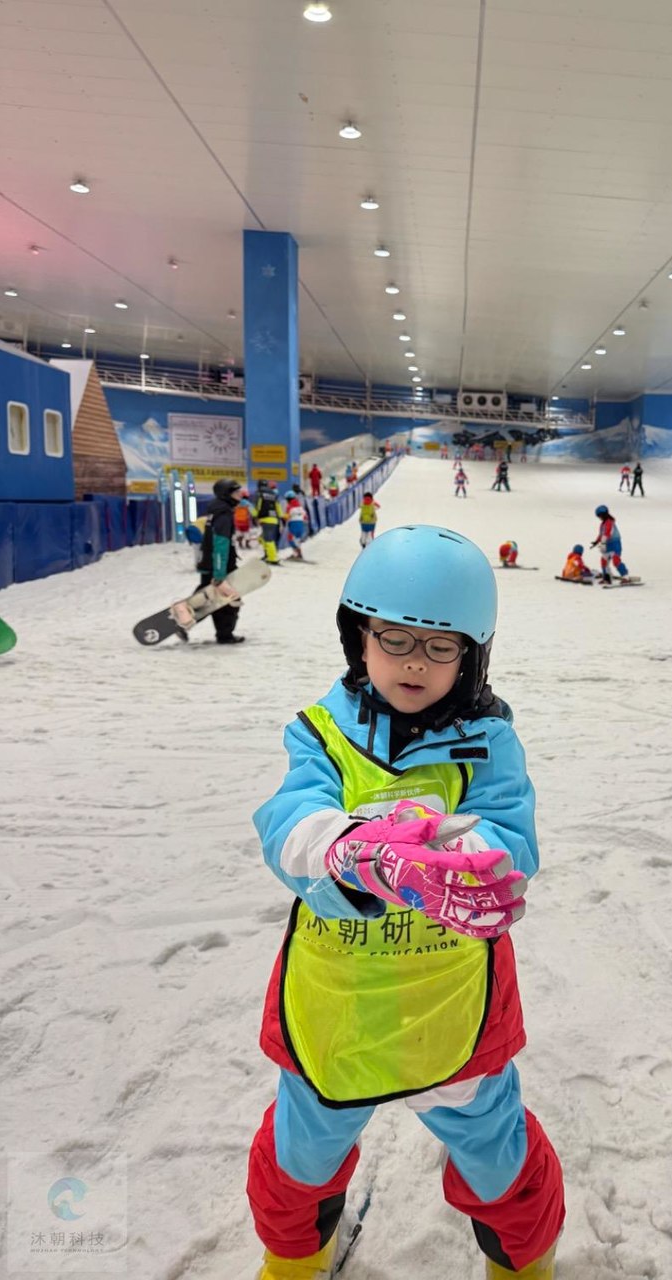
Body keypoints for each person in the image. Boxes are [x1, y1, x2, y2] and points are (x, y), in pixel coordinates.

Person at [247, 526, 565, 1280]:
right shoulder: (321, 732)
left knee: (497, 1156)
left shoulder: (488, 743)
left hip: (450, 1005)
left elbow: (510, 838)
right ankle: (293, 1260)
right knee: (299, 1155)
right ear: (358, 637)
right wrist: (352, 850)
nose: (414, 661)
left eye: (439, 646)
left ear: (471, 655)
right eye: (394, 639)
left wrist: (452, 859)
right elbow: (288, 820)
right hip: (335, 1008)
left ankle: (523, 1265)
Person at [196, 478, 244, 644]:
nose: (240, 494)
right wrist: (219, 574)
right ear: (226, 494)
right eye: (236, 492)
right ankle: (225, 634)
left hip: (209, 564)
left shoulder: (216, 511)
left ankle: (224, 634)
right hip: (219, 567)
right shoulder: (223, 514)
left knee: (210, 599)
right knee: (228, 600)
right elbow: (220, 544)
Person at [590, 505, 630, 584]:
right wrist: (596, 542)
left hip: (615, 545)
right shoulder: (602, 524)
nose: (599, 518)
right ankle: (607, 578)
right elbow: (601, 534)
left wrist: (603, 543)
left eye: (599, 516)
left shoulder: (609, 522)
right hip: (607, 546)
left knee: (616, 561)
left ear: (604, 514)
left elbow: (607, 533)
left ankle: (625, 576)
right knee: (604, 562)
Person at [254, 481, 285, 566]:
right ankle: (267, 555)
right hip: (274, 519)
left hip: (265, 518)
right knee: (264, 538)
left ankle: (273, 558)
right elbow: (278, 506)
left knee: (268, 539)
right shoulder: (273, 494)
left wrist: (255, 516)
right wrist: (281, 517)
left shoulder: (260, 493)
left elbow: (257, 506)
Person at [285, 490, 308, 561]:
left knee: (291, 538)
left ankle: (297, 553)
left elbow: (287, 517)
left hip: (293, 524)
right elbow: (305, 516)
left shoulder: (289, 506)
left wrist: (283, 517)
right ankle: (298, 554)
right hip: (301, 524)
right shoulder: (300, 506)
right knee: (297, 539)